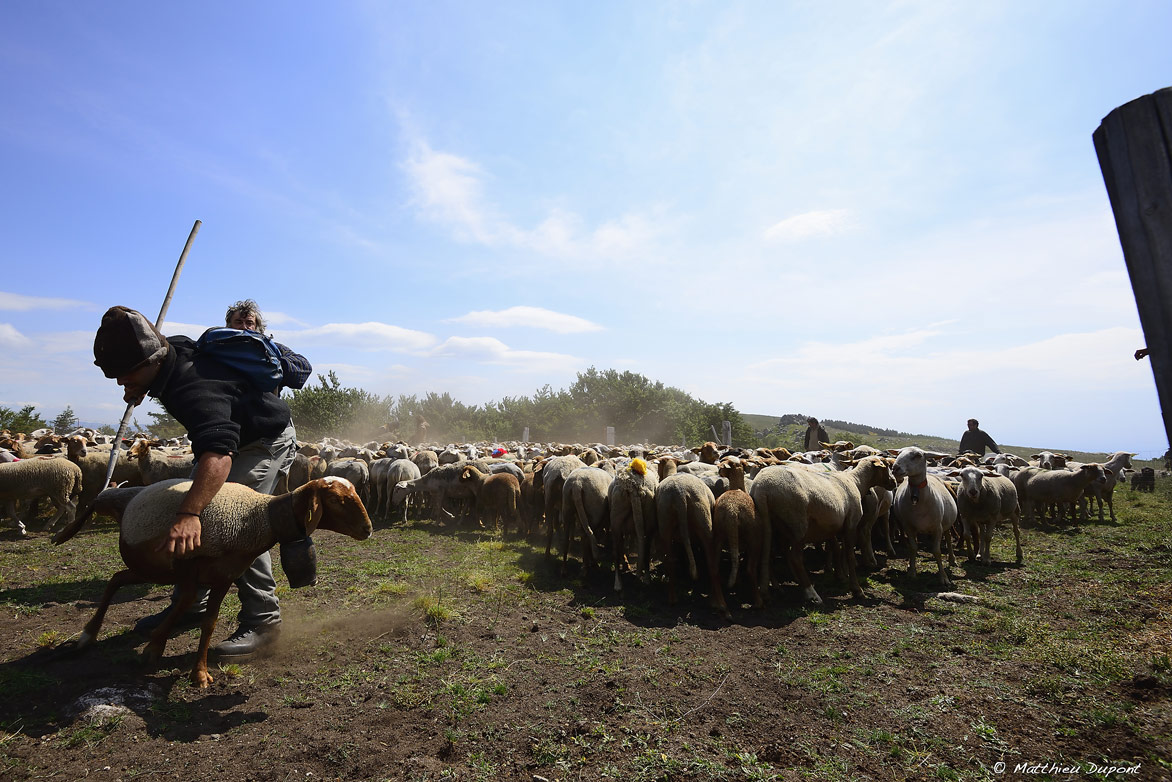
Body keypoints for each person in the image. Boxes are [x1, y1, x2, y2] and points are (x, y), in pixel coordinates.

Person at [92, 299, 311, 660]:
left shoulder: (195, 390)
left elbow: (219, 457)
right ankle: (191, 603)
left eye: (127, 372)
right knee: (193, 504)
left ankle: (264, 621)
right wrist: (141, 385)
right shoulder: (172, 348)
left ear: (151, 361)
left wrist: (190, 514)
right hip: (231, 437)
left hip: (262, 440)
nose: (120, 381)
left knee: (240, 522)